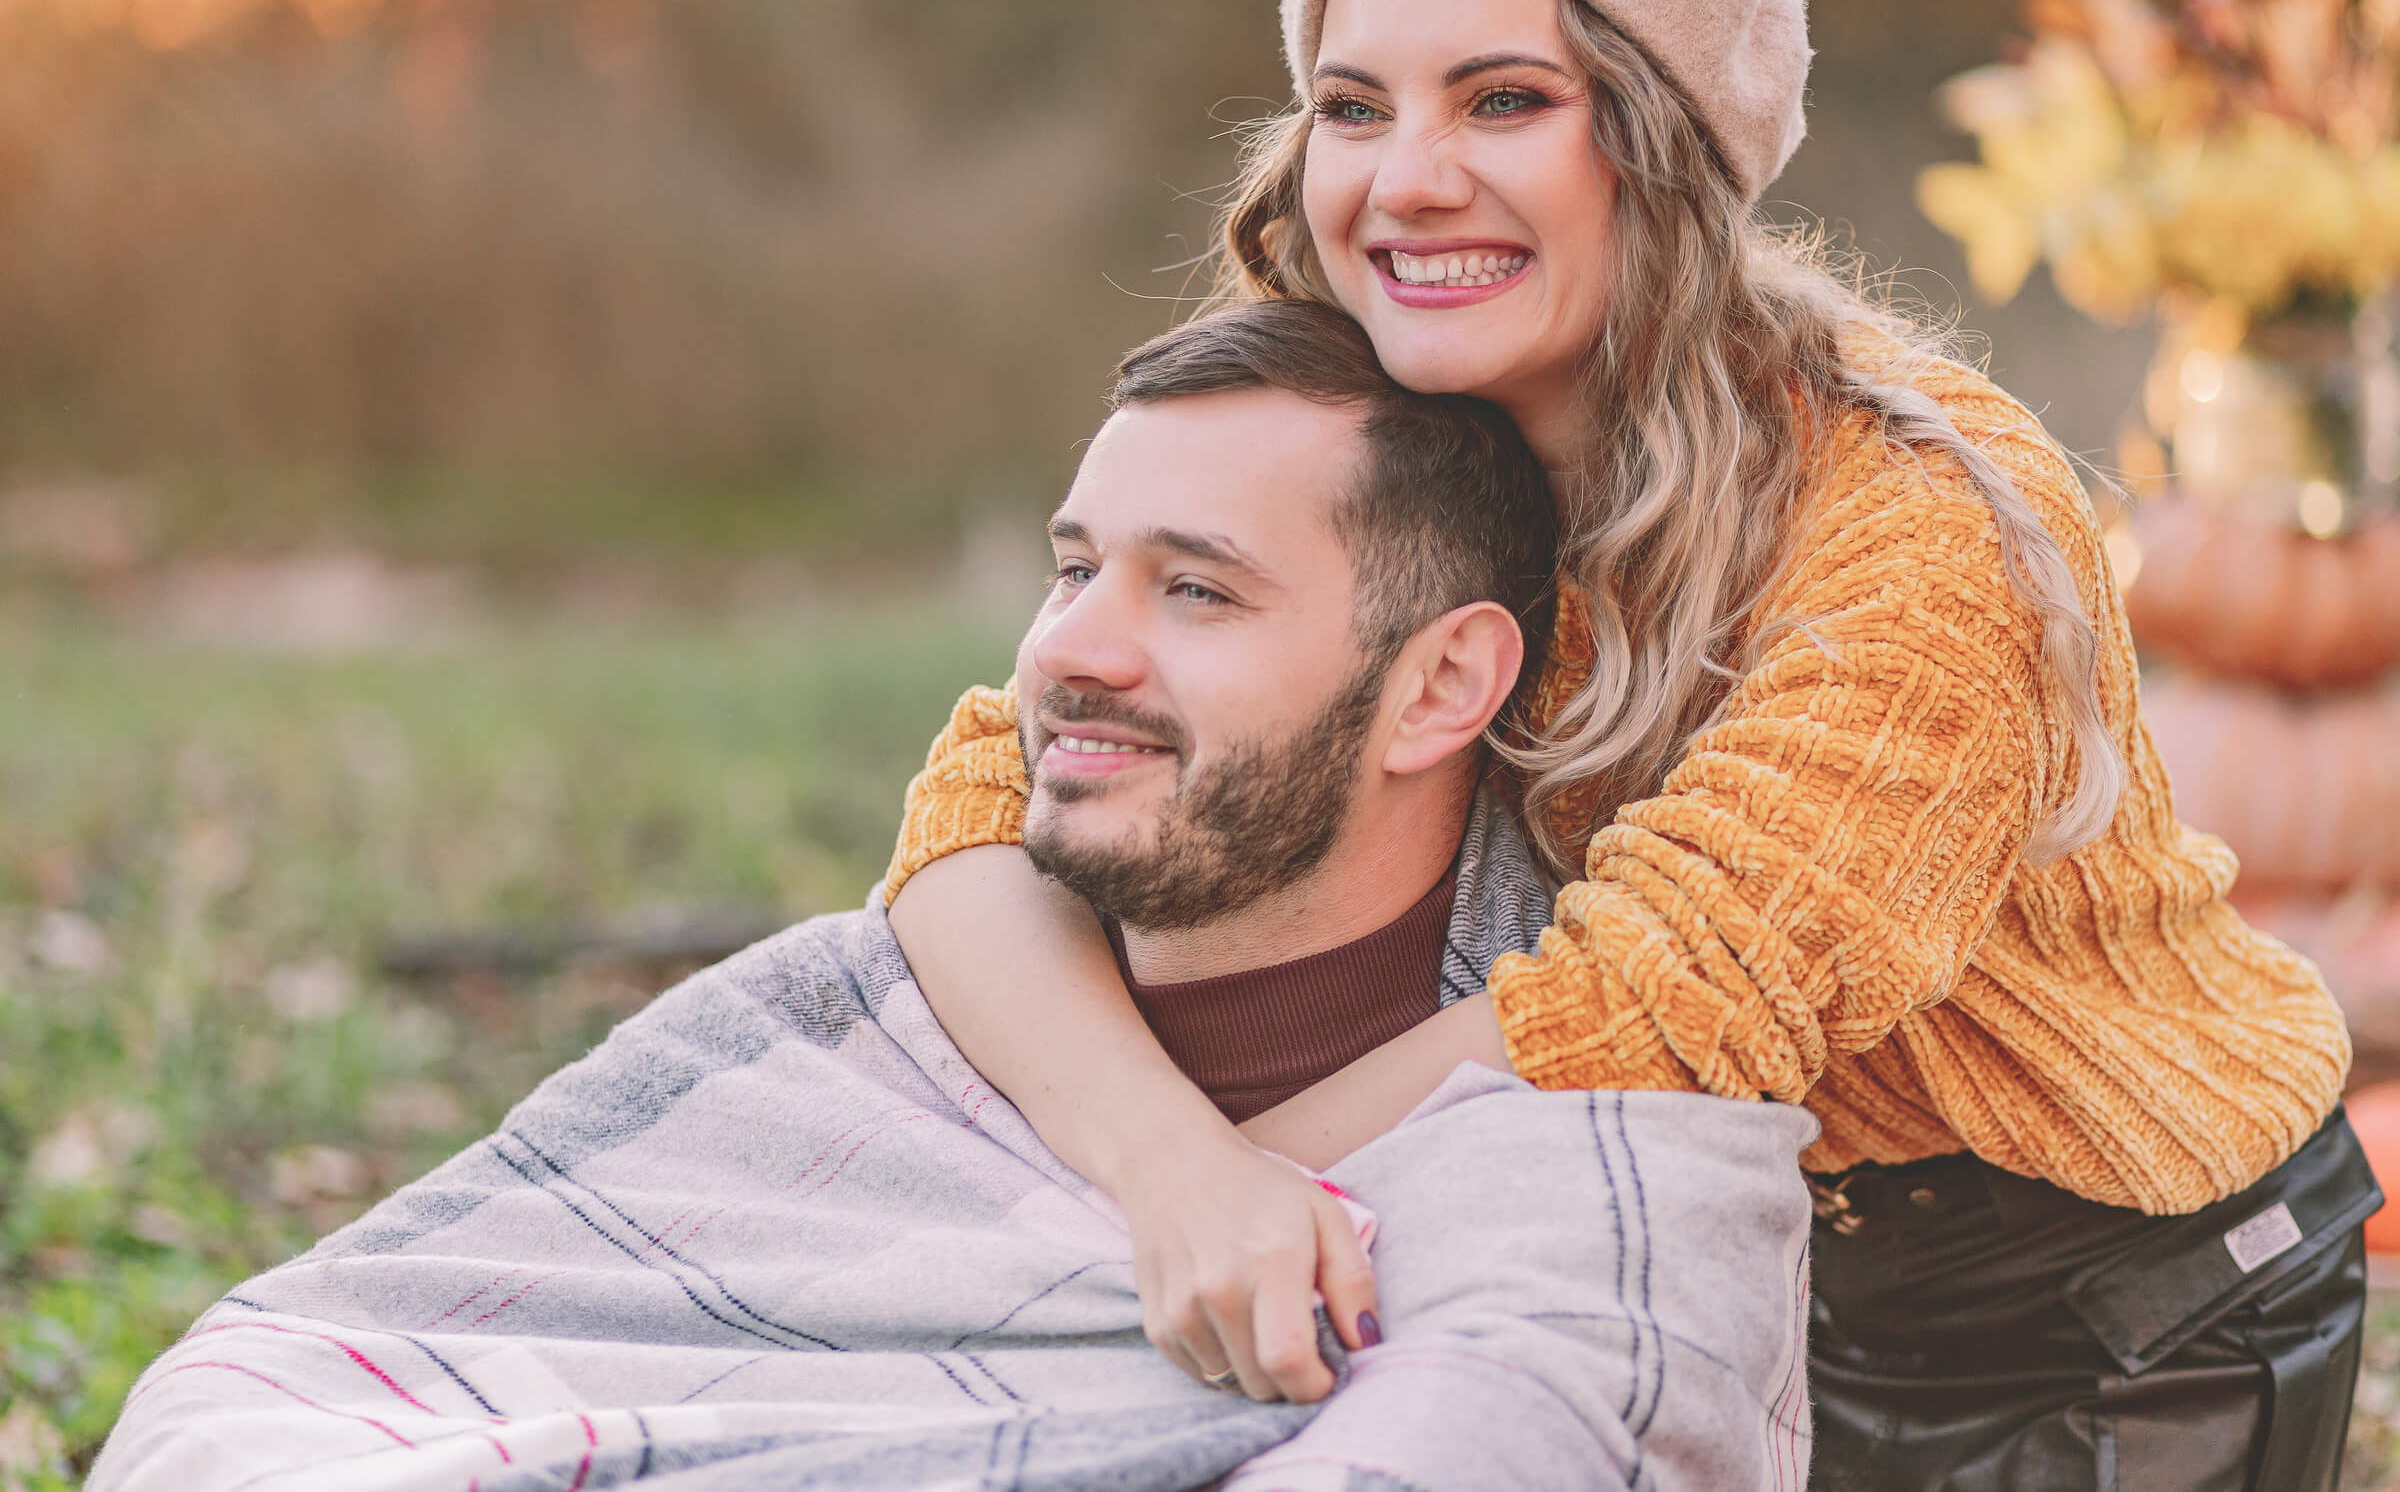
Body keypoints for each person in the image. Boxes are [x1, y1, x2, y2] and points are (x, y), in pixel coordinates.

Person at [880, 0, 2381, 1489]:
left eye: (1505, 100)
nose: (1408, 181)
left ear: (1656, 142)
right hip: (1713, 1236)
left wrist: (1183, 1217)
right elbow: (994, 794)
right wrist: (1167, 1179)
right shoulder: (1343, 430)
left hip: (2111, 1294)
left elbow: (1667, 999)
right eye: (1353, 107)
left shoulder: (1916, 518)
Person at [90, 302, 1819, 1492]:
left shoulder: (1598, 1159)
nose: (1071, 650)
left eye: (1198, 592)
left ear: (1442, 687)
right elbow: (272, 1388)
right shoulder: (860, 1023)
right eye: (1074, 569)